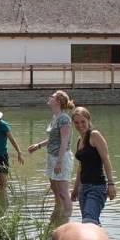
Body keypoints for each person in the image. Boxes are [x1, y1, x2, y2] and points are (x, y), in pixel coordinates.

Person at [27, 90, 76, 222]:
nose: (49, 98)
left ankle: (66, 221)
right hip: (52, 157)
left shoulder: (64, 118)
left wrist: (59, 162)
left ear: (58, 101)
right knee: (55, 190)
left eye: (52, 97)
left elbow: (65, 141)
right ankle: (57, 217)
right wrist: (38, 146)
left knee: (63, 193)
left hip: (61, 158)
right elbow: (54, 139)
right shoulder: (56, 117)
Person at [71, 107, 116, 225]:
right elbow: (80, 167)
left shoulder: (94, 135)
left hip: (97, 187)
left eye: (83, 121)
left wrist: (111, 184)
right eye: (76, 122)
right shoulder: (79, 140)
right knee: (90, 221)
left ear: (88, 121)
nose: (80, 125)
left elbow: (106, 159)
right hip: (83, 188)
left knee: (89, 220)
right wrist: (75, 188)